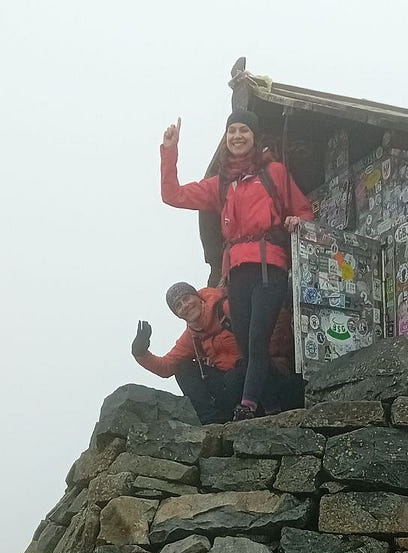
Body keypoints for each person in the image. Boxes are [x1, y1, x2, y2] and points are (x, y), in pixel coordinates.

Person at [160, 109, 313, 420]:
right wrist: (170, 151)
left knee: (257, 340)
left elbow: (304, 210)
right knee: (246, 345)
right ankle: (271, 404)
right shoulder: (220, 184)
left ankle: (247, 406)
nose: (238, 136)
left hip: (270, 265)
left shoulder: (275, 173)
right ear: (226, 139)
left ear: (254, 137)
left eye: (244, 130)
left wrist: (297, 220)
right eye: (232, 131)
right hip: (236, 272)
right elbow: (172, 195)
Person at [131, 282, 245, 424]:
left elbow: (264, 326)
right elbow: (166, 367)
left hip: (253, 375)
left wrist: (276, 358)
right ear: (177, 314)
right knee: (183, 368)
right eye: (178, 305)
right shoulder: (191, 337)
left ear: (197, 297)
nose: (184, 306)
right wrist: (140, 353)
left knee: (234, 378)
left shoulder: (227, 308)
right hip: (228, 384)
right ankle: (211, 422)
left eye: (186, 298)